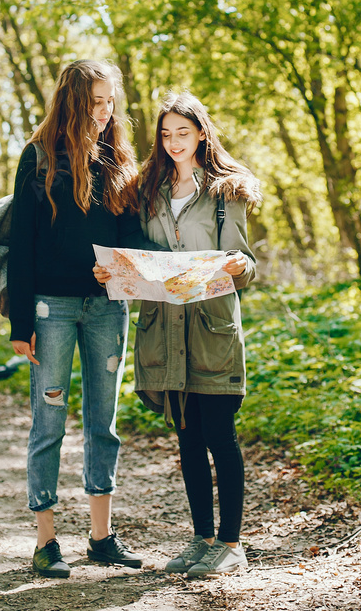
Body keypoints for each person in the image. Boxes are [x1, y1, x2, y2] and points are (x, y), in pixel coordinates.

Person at [96, 92, 261, 578]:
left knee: (219, 436)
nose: (172, 142)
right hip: (164, 332)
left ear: (202, 134)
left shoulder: (226, 192)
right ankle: (201, 539)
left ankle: (231, 544)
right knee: (187, 438)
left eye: (182, 133)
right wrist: (114, 272)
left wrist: (238, 265)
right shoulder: (148, 191)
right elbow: (139, 256)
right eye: (165, 134)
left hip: (211, 331)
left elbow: (246, 263)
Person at [8, 59, 157, 579]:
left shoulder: (118, 158)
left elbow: (134, 234)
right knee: (48, 421)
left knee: (104, 422)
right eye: (96, 101)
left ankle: (101, 538)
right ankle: (47, 542)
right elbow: (21, 247)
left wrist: (121, 264)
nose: (106, 110)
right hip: (49, 308)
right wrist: (19, 324)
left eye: (110, 100)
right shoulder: (38, 158)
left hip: (106, 307)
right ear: (72, 102)